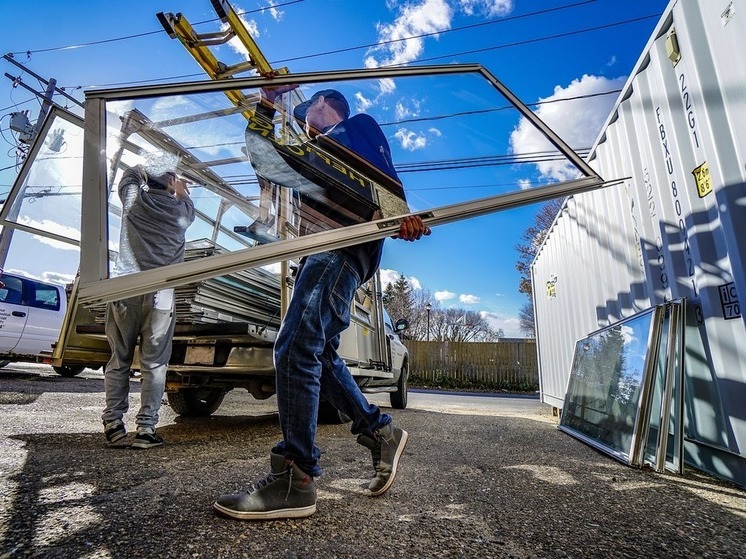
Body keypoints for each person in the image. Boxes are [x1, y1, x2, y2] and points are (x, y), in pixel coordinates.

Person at [214, 86, 430, 520]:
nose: (305, 114)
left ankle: (298, 476)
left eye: (310, 105)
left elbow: (383, 173)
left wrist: (397, 215)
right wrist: (266, 106)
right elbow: (262, 156)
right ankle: (378, 431)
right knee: (319, 352)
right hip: (320, 255)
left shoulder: (353, 128)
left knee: (293, 347)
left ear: (330, 106)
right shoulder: (308, 157)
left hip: (341, 250)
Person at [102, 164, 195, 449]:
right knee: (154, 365)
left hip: (126, 289)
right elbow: (186, 201)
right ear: (169, 180)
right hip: (161, 295)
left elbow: (130, 174)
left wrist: (149, 168)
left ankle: (114, 424)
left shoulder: (134, 201)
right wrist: (180, 188)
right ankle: (145, 429)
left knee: (119, 359)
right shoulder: (181, 212)